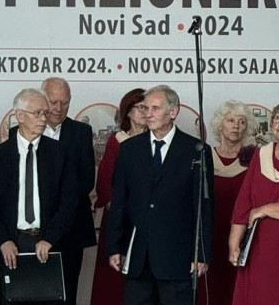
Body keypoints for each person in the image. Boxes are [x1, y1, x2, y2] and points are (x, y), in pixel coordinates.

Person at [106, 85, 213, 305]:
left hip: (178, 258)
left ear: (173, 112)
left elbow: (203, 206)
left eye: (155, 108)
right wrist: (115, 246)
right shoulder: (129, 149)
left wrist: (201, 253)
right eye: (145, 108)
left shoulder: (196, 150)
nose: (148, 114)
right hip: (139, 257)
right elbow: (119, 202)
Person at [0, 88, 76, 305]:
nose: (43, 119)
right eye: (37, 113)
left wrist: (50, 238)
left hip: (49, 242)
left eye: (45, 113)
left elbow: (70, 201)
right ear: (19, 115)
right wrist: (3, 240)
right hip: (12, 243)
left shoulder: (59, 153)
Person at [39, 77, 96, 305]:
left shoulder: (82, 132)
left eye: (64, 102)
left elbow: (86, 181)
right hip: (33, 229)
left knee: (67, 293)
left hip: (71, 229)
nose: (58, 108)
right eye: (53, 102)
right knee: (31, 293)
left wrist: (59, 209)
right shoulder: (19, 132)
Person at [91, 88, 146, 305]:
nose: (145, 112)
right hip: (120, 219)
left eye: (149, 108)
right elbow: (104, 183)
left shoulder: (156, 141)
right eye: (140, 108)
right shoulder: (117, 141)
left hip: (147, 220)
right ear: (128, 112)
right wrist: (120, 210)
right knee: (113, 282)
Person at [196, 101, 253, 305]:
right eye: (230, 120)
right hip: (208, 233)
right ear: (220, 124)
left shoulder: (254, 159)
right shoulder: (203, 156)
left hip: (240, 236)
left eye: (242, 122)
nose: (236, 126)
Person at [227, 103, 279, 305]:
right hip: (260, 249)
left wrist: (264, 209)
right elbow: (244, 202)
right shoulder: (261, 154)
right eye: (277, 119)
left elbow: (256, 209)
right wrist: (234, 243)